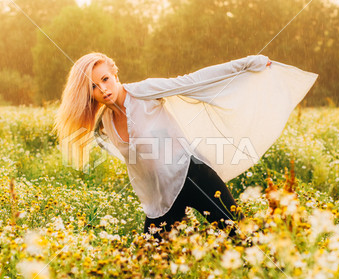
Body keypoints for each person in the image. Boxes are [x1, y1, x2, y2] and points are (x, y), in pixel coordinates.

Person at [54, 52, 318, 241]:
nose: (103, 88)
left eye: (105, 79)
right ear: (88, 93)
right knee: (151, 266)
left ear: (114, 73)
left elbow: (192, 81)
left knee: (241, 239)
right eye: (93, 86)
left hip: (194, 177)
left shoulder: (144, 91)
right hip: (160, 200)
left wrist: (247, 64)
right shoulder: (105, 123)